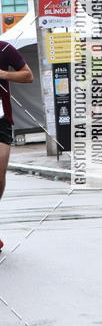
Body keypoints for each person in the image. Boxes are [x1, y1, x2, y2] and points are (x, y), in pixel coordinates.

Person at [0, 41, 34, 252]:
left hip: (2, 120)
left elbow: (28, 75)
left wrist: (4, 74)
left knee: (0, 173)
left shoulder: (4, 49)